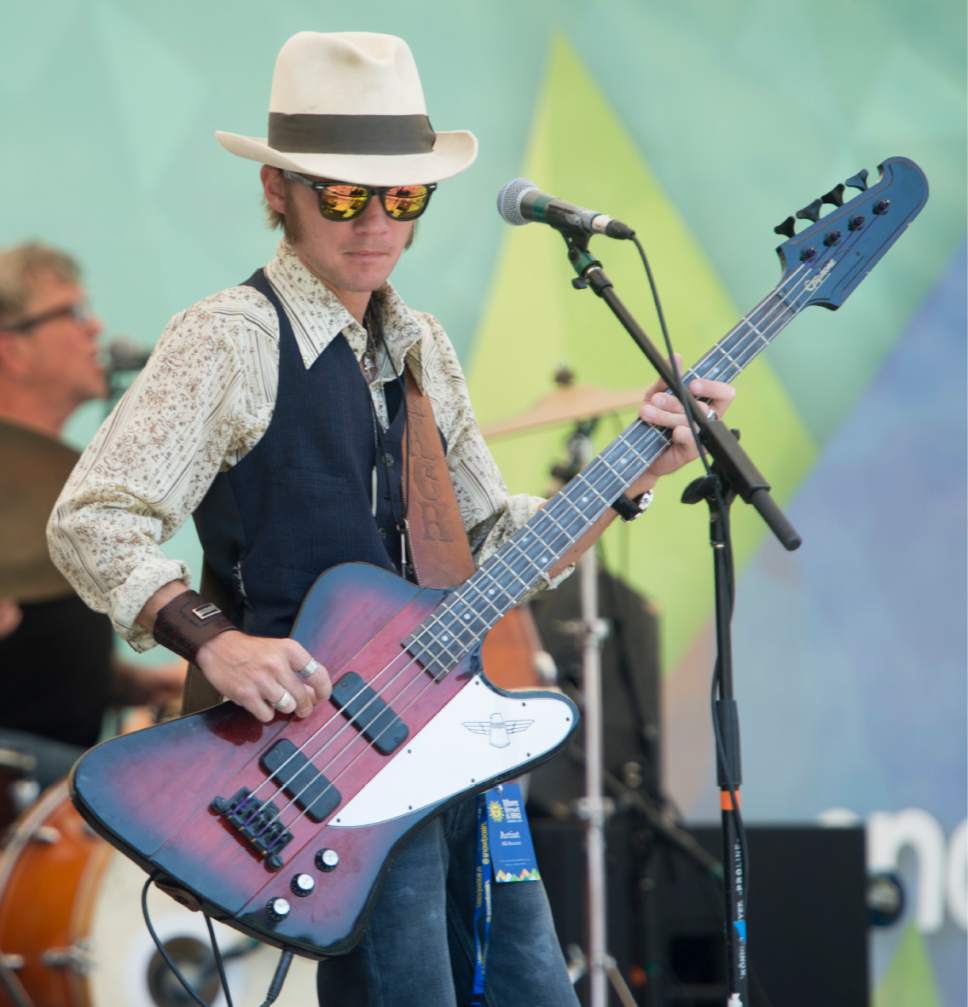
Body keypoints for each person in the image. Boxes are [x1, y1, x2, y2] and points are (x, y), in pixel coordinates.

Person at [47, 32, 736, 1007]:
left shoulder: (420, 346)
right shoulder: (228, 337)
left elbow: (497, 547)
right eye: (342, 193)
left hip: (454, 739)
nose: (375, 220)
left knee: (534, 988)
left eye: (402, 195)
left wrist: (633, 473)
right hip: (313, 767)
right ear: (276, 191)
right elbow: (93, 516)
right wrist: (217, 644)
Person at [0, 242, 184, 789]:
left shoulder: (48, 484)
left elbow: (35, 658)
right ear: (13, 350)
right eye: (73, 312)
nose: (95, 328)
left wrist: (136, 684)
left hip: (56, 755)